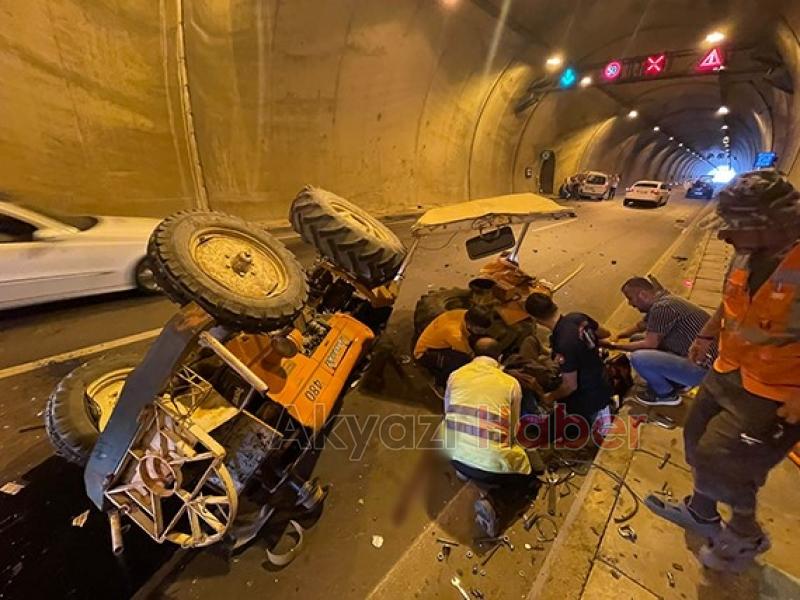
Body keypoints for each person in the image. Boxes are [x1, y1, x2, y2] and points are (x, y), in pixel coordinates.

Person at [645, 170, 800, 573]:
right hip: (727, 368)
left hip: (774, 391)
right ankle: (701, 512)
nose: (725, 236)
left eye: (736, 226)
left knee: (724, 458)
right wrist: (706, 334)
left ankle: (745, 533)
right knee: (696, 438)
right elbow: (731, 300)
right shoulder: (748, 252)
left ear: (768, 224)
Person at [441, 337, 540, 535]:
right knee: (532, 477)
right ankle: (495, 503)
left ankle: (466, 470)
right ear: (500, 358)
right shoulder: (510, 384)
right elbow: (513, 430)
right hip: (487, 467)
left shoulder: (455, 375)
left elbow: (447, 410)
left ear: (473, 355)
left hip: (451, 455)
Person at [605, 277, 717, 406]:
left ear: (643, 294)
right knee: (636, 339)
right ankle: (678, 380)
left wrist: (613, 346)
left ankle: (665, 395)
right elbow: (641, 326)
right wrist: (619, 335)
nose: (630, 304)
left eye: (630, 298)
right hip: (698, 358)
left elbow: (650, 344)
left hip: (704, 371)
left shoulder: (662, 308)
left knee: (639, 358)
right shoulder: (664, 300)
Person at [524, 292, 614, 438]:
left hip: (588, 397)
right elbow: (604, 333)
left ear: (535, 319)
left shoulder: (563, 343)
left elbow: (570, 386)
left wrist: (550, 397)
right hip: (602, 379)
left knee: (596, 433)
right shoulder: (577, 317)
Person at [414, 306, 492, 387]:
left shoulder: (465, 314)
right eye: (480, 330)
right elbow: (471, 355)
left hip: (442, 341)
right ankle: (440, 383)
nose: (483, 332)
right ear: (469, 325)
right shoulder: (455, 334)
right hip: (425, 352)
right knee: (461, 361)